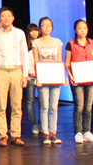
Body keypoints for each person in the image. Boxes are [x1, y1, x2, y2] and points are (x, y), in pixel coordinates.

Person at [0, 6, 28, 147]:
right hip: (1, 71)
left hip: (16, 71)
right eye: (3, 16)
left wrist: (25, 74)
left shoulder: (20, 33)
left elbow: (24, 54)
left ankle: (15, 135)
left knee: (17, 106)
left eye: (8, 16)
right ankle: (2, 135)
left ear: (13, 18)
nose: (6, 18)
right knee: (0, 105)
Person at [66, 19, 93, 144]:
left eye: (84, 28)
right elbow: (67, 63)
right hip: (77, 80)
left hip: (90, 79)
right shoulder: (71, 44)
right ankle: (78, 132)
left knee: (88, 107)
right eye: (80, 28)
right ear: (75, 30)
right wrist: (70, 75)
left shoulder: (92, 43)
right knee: (79, 106)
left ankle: (87, 131)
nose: (82, 31)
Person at [32, 17, 63, 145]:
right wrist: (38, 77)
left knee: (54, 106)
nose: (46, 27)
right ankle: (45, 133)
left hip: (55, 77)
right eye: (44, 25)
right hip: (43, 77)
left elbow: (59, 60)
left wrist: (63, 77)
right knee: (44, 106)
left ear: (52, 27)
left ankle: (53, 133)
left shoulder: (57, 42)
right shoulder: (36, 43)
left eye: (49, 25)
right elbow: (36, 61)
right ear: (40, 28)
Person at [24, 23, 40, 135]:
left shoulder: (41, 44)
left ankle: (41, 123)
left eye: (36, 30)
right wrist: (26, 74)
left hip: (41, 76)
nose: (34, 33)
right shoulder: (25, 46)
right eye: (31, 31)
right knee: (30, 101)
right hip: (30, 77)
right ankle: (33, 123)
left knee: (43, 101)